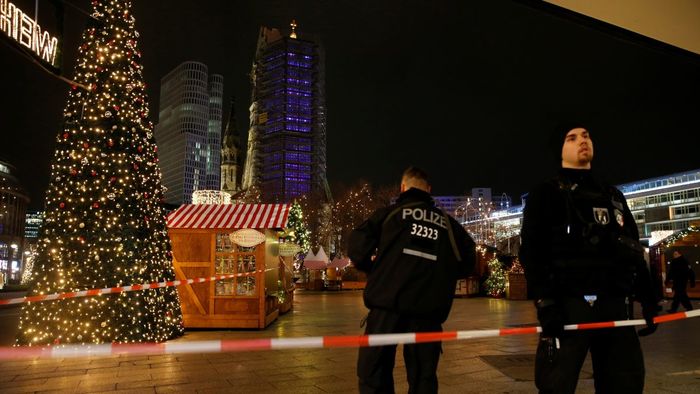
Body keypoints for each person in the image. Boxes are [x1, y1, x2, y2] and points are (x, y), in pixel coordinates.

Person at [519, 123, 659, 394]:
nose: (582, 140)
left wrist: (649, 297)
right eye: (571, 138)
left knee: (625, 384)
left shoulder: (613, 195)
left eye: (586, 135)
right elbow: (532, 251)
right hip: (568, 307)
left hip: (615, 305)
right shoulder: (546, 194)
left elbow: (632, 249)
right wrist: (545, 303)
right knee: (555, 385)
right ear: (559, 151)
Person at [348, 166, 476, 394]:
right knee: (423, 378)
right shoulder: (448, 224)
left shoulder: (389, 215)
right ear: (429, 190)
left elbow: (356, 248)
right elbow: (469, 261)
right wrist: (442, 275)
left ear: (403, 188)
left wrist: (375, 270)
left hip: (387, 306)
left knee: (374, 372)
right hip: (427, 311)